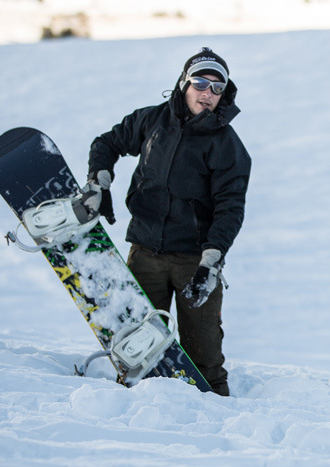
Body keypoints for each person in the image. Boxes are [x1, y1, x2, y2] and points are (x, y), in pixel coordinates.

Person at [82, 47, 251, 397]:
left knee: (203, 356)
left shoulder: (228, 147)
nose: (208, 93)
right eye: (201, 83)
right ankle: (130, 413)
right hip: (145, 251)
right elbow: (107, 143)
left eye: (217, 88)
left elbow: (230, 206)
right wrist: (99, 182)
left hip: (195, 262)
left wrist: (213, 257)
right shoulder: (153, 120)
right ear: (183, 83)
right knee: (136, 347)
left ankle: (220, 424)